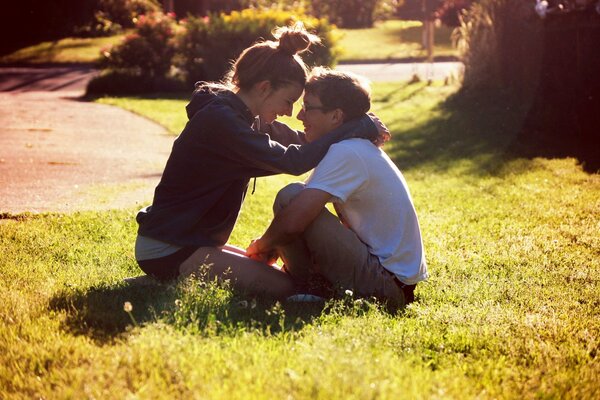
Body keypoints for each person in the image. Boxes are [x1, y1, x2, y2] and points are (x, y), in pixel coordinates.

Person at [134, 24, 387, 299]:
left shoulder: (243, 117)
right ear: (265, 87)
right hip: (168, 245)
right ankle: (165, 272)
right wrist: (356, 126)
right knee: (284, 287)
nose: (290, 112)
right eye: (288, 101)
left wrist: (347, 123)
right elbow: (294, 160)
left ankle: (166, 274)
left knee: (270, 272)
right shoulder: (221, 122)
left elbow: (305, 143)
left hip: (189, 241)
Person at [246, 68, 428, 309]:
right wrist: (274, 247)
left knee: (290, 196)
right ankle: (309, 284)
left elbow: (294, 222)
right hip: (388, 278)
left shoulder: (348, 152)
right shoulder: (349, 148)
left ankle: (309, 288)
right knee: (294, 197)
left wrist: (261, 246)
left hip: (387, 286)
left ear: (336, 116)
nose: (300, 115)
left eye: (308, 107)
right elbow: (300, 217)